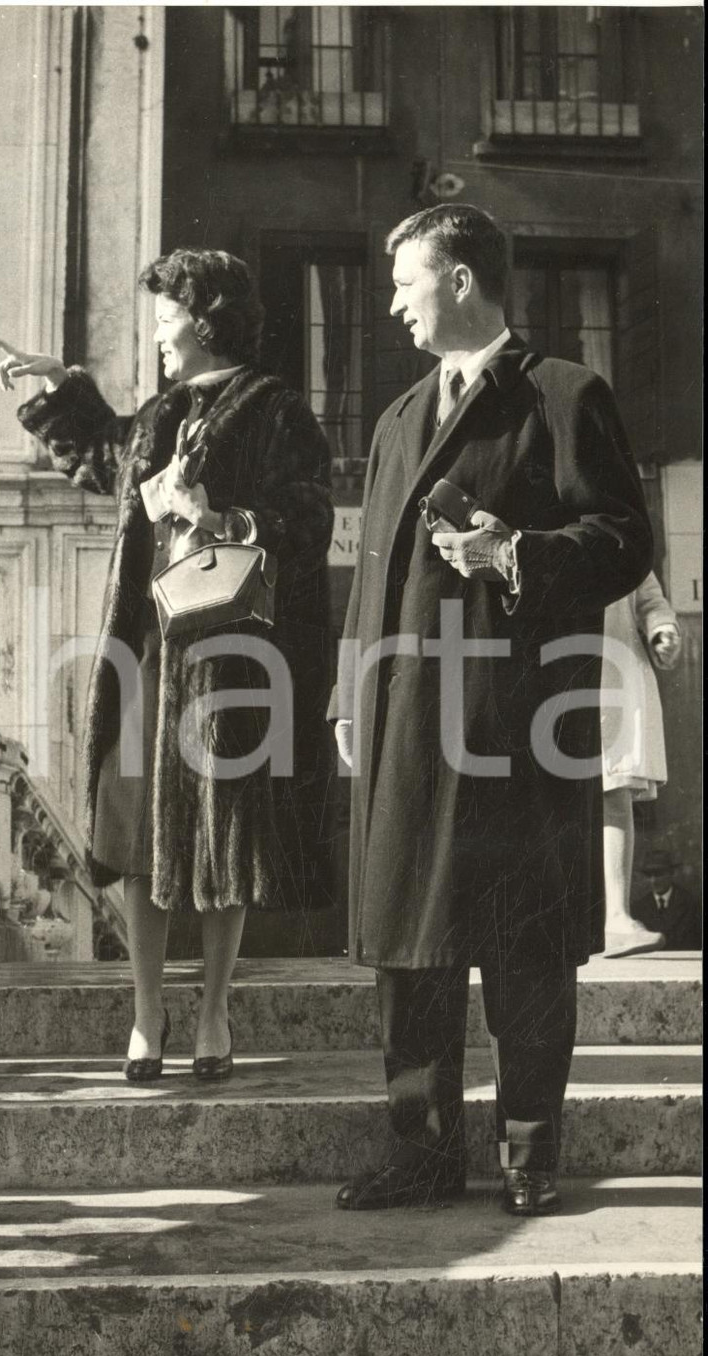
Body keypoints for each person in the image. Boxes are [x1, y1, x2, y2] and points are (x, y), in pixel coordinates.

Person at [329, 204, 652, 1217]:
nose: (392, 305)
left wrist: (512, 551)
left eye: (405, 283)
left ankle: (528, 1150)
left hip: (515, 725)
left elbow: (623, 538)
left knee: (526, 949)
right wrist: (349, 688)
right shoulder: (392, 423)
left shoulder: (562, 395)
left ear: (461, 278)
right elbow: (370, 575)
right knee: (407, 946)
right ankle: (419, 1150)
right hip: (404, 719)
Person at [0, 248, 335, 1083]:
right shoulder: (158, 413)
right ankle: (148, 1012)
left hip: (228, 658)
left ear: (206, 320)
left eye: (165, 322)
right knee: (136, 828)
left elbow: (311, 516)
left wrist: (219, 513)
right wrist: (57, 388)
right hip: (146, 648)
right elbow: (106, 458)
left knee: (226, 834)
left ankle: (213, 1009)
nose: (157, 339)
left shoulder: (279, 411)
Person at [600, 572, 683, 957]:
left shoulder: (617, 522)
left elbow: (647, 594)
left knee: (613, 790)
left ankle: (616, 916)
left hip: (609, 675)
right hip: (547, 671)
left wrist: (661, 628)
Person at [632, 847, 702, 951]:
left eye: (659, 874)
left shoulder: (691, 903)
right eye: (649, 875)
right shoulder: (639, 908)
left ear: (672, 873)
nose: (653, 881)